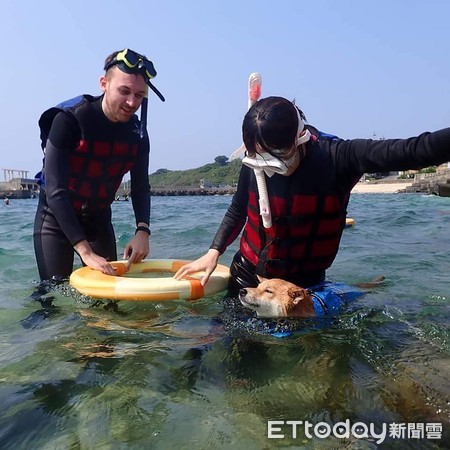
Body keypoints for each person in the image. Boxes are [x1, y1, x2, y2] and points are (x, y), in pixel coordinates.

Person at [174, 96, 450, 296]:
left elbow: (416, 149)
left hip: (305, 286)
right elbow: (238, 209)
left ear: (299, 137)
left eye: (276, 155)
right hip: (249, 274)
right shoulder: (254, 161)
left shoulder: (338, 158)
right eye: (259, 155)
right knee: (227, 352)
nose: (267, 164)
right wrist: (214, 251)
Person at [33, 48, 165, 281]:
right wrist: (85, 252)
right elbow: (55, 191)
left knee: (109, 302)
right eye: (124, 91)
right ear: (104, 83)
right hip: (55, 219)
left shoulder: (138, 133)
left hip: (98, 219)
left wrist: (142, 231)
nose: (131, 102)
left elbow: (140, 186)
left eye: (139, 95)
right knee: (51, 297)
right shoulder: (70, 120)